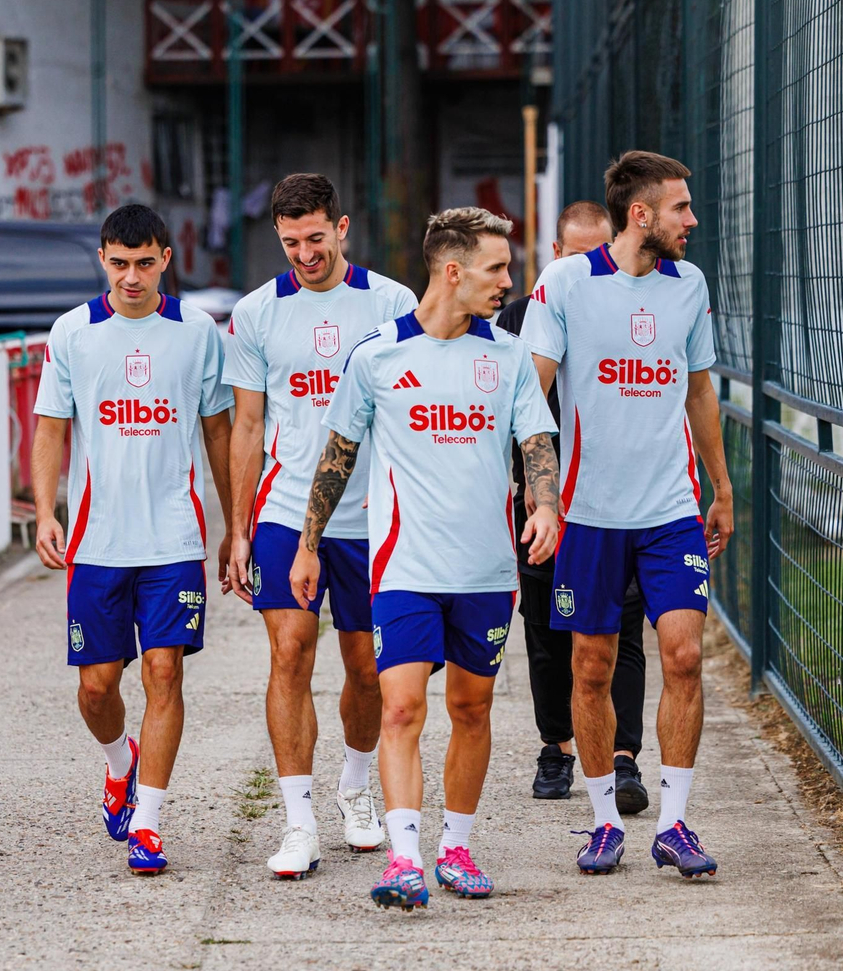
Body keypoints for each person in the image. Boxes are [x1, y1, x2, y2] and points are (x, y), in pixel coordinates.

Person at [291, 207, 561, 910]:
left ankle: (458, 847)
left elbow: (535, 442)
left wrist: (544, 504)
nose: (509, 280)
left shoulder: (506, 357)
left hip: (486, 573)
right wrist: (308, 543)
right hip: (404, 569)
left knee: (471, 708)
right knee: (403, 707)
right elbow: (338, 455)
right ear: (453, 270)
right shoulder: (377, 354)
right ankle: (405, 858)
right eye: (497, 268)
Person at [523, 152, 735, 879]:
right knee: (591, 665)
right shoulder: (566, 284)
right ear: (640, 214)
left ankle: (674, 823)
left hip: (671, 510)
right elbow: (531, 397)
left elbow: (700, 391)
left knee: (682, 654)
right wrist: (540, 492)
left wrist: (723, 484)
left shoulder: (690, 286)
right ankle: (604, 821)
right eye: (680, 207)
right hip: (589, 515)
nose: (692, 220)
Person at [30, 204, 234, 876]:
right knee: (95, 687)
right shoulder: (73, 332)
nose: (132, 276)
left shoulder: (197, 332)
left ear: (165, 261)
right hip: (97, 542)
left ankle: (148, 822)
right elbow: (52, 428)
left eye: (145, 262)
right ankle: (121, 761)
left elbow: (218, 430)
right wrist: (46, 511)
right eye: (119, 263)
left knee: (165, 671)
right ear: (102, 260)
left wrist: (237, 525)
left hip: (173, 538)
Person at [223, 174, 417, 878]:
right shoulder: (255, 314)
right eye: (289, 242)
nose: (303, 254)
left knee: (367, 668)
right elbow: (247, 424)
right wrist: (238, 528)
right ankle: (298, 821)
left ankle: (356, 788)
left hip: (370, 515)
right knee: (291, 652)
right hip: (283, 511)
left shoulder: (392, 302)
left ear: (341, 229)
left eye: (314, 238)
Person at [498, 201, 651, 811]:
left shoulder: (629, 311)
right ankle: (556, 746)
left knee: (623, 631)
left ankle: (624, 756)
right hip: (542, 501)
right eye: (576, 252)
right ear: (556, 255)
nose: (590, 262)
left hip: (619, 502)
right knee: (546, 630)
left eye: (600, 250)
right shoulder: (513, 321)